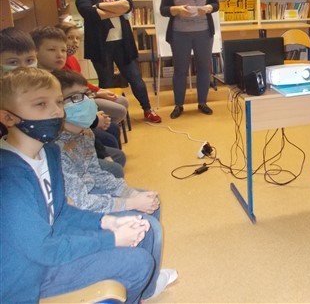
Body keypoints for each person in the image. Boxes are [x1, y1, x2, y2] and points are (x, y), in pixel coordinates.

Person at [0, 67, 154, 303]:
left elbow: (60, 212)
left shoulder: (49, 152)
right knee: (137, 263)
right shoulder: (9, 177)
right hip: (28, 277)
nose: (55, 111)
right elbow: (42, 249)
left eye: (58, 102)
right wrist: (110, 238)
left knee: (139, 232)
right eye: (40, 104)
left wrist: (106, 222)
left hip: (48, 251)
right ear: (8, 118)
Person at [52, 69, 177, 300]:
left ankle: (146, 283)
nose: (85, 102)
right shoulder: (55, 148)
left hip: (90, 191)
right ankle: (140, 286)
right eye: (75, 98)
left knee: (151, 202)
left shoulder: (84, 133)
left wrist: (129, 192)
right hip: (78, 207)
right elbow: (80, 202)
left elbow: (97, 174)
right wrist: (130, 203)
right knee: (149, 226)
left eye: (86, 95)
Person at [31, 25, 127, 178]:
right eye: (51, 50)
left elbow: (81, 91)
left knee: (115, 150)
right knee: (112, 151)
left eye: (63, 50)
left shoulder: (61, 73)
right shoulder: (41, 84)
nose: (59, 55)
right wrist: (94, 120)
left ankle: (106, 174)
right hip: (66, 140)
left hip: (79, 131)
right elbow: (65, 119)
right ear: (35, 52)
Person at [75, 0, 161, 123]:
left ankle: (147, 109)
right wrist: (116, 9)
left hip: (123, 43)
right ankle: (110, 115)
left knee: (136, 78)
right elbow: (88, 12)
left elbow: (128, 6)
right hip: (100, 46)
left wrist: (99, 6)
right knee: (106, 81)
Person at [159, 0, 220, 119]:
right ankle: (179, 105)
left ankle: (202, 102)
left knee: (203, 69)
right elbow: (163, 9)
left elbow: (216, 4)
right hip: (179, 34)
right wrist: (177, 9)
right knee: (180, 70)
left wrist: (208, 8)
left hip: (203, 33)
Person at [57, 21, 130, 125]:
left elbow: (83, 83)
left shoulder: (72, 59)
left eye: (77, 38)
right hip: (79, 100)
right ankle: (103, 127)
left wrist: (99, 90)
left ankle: (108, 126)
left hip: (86, 94)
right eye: (70, 38)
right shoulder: (60, 64)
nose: (75, 42)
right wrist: (95, 94)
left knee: (123, 101)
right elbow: (73, 92)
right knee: (120, 111)